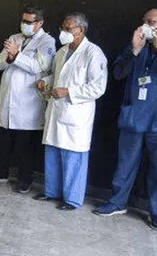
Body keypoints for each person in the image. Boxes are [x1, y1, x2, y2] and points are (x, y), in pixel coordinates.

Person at [93, 8, 157, 230]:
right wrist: (134, 51)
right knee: (125, 163)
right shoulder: (137, 43)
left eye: (151, 22)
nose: (145, 25)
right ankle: (117, 202)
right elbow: (118, 73)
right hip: (134, 115)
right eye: (144, 21)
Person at [0, 6, 56, 193]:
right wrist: (9, 57)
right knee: (2, 140)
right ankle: (0, 172)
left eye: (29, 22)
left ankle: (25, 179)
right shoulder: (15, 38)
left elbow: (39, 65)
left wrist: (17, 56)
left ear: (40, 23)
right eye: (23, 21)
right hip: (8, 100)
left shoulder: (47, 41)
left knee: (25, 145)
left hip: (29, 103)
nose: (25, 25)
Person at [34, 12, 108, 210]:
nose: (63, 33)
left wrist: (69, 92)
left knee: (73, 157)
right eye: (62, 28)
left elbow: (98, 87)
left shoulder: (93, 53)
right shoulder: (62, 52)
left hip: (76, 113)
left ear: (80, 31)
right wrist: (45, 82)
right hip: (57, 110)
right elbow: (56, 76)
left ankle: (72, 199)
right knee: (53, 152)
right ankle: (51, 191)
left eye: (68, 29)